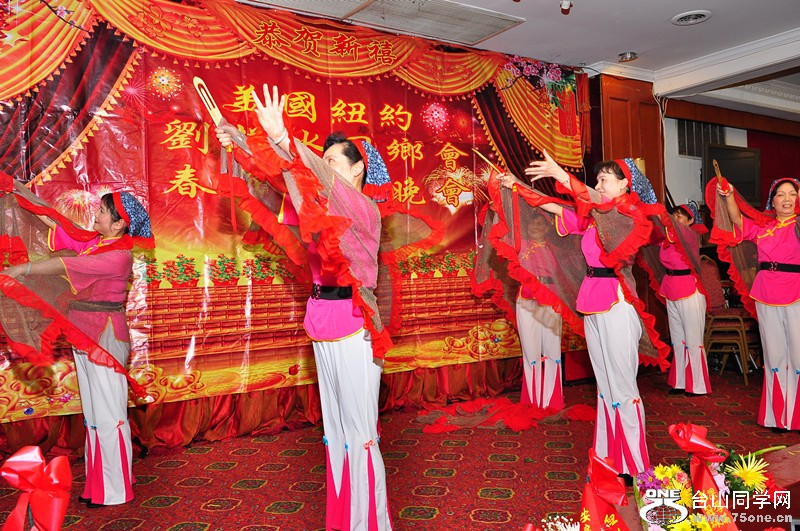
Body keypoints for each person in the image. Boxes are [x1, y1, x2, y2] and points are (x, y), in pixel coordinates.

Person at [215, 84, 392, 531]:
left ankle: (372, 525)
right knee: (336, 432)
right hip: (323, 320)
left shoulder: (363, 207)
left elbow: (307, 172)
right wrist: (237, 140)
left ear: (358, 169)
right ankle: (344, 520)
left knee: (360, 432)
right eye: (323, 160)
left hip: (355, 322)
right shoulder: (319, 204)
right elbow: (286, 178)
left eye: (333, 161)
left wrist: (281, 138)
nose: (324, 168)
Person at [498, 152, 669, 480]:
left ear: (624, 184)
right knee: (605, 387)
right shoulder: (593, 219)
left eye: (605, 179)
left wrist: (562, 175)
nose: (598, 185)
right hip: (592, 302)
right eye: (597, 179)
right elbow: (552, 205)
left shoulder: (629, 214)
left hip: (617, 306)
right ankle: (608, 458)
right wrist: (516, 184)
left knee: (622, 387)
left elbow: (598, 204)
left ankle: (636, 465)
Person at [2, 191, 152, 507]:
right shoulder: (98, 244)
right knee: (94, 417)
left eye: (103, 211)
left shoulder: (118, 256)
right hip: (85, 335)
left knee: (109, 416)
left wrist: (21, 270)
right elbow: (57, 224)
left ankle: (115, 490)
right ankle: (99, 486)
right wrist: (17, 190)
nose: (96, 215)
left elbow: (64, 263)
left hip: (105, 340)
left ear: (119, 224)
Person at [714, 177, 800, 430]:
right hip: (765, 293)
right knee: (774, 355)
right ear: (772, 201)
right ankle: (777, 417)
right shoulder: (765, 228)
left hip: (795, 291)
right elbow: (737, 220)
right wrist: (729, 195)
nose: (786, 199)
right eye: (780, 194)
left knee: (798, 354)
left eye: (792, 194)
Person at [659, 204, 710, 395]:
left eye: (680, 216)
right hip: (671, 287)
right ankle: (680, 382)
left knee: (693, 339)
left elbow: (675, 231)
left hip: (689, 288)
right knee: (677, 340)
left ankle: (697, 385)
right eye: (674, 215)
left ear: (691, 221)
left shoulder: (690, 235)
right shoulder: (667, 237)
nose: (675, 219)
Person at [515, 212, 564, 409]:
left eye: (539, 223)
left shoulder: (556, 249)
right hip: (527, 299)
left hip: (551, 298)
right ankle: (532, 401)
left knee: (552, 348)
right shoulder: (520, 246)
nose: (534, 227)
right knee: (530, 348)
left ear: (547, 227)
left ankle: (552, 399)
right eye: (531, 223)